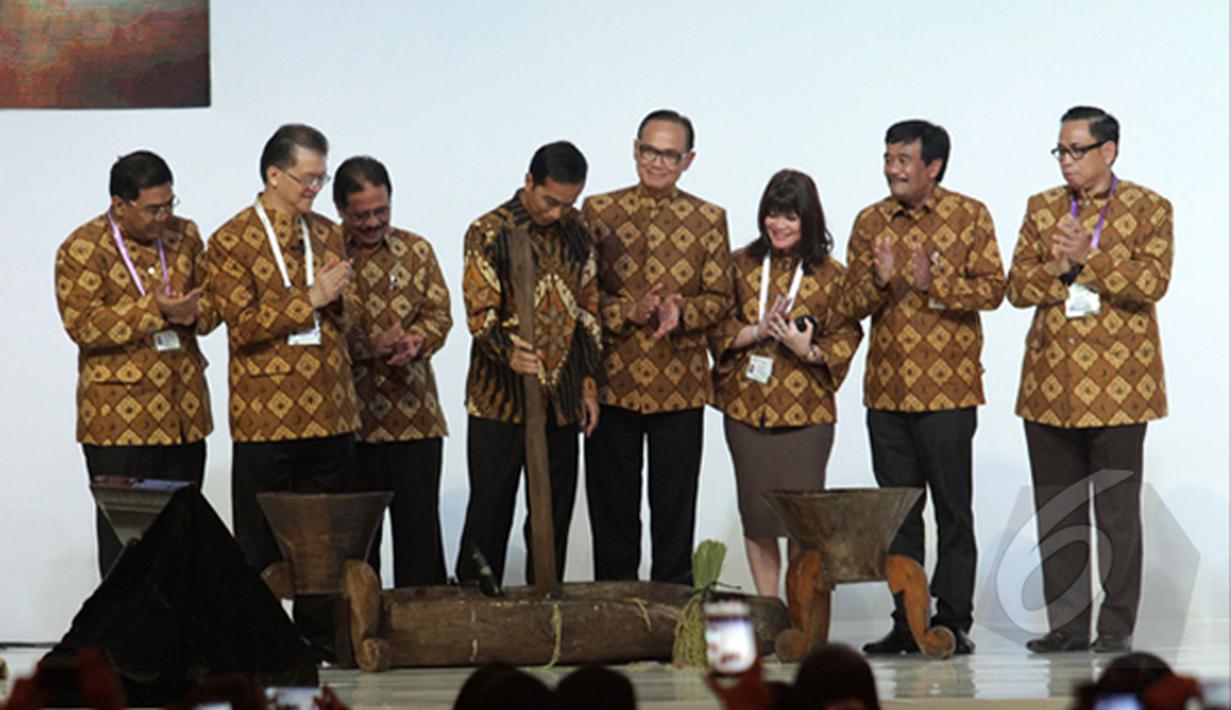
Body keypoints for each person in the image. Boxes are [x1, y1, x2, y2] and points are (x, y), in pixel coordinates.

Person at [1008, 106, 1172, 655]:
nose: (1066, 162)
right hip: (1049, 384)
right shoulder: (1042, 209)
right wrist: (1056, 269)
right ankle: (1067, 627)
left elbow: (1152, 281)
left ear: (1109, 151)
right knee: (1058, 511)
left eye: (1076, 150)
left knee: (1117, 516)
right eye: (1060, 150)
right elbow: (1015, 287)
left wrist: (1090, 258)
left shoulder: (1149, 207)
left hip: (1122, 388)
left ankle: (1117, 627)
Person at [840, 119, 1005, 655]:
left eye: (904, 160)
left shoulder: (969, 215)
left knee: (953, 511)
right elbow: (847, 304)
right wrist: (880, 282)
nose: (892, 169)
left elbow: (994, 289)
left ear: (932, 166)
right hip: (886, 393)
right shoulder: (870, 221)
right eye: (888, 158)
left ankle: (952, 620)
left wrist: (937, 285)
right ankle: (908, 620)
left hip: (948, 393)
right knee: (900, 515)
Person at [206, 123, 358, 659]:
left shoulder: (328, 233)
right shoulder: (230, 239)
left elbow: (347, 314)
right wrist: (310, 299)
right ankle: (259, 641)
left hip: (331, 408)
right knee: (261, 537)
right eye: (307, 178)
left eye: (322, 177)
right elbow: (242, 323)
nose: (316, 189)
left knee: (325, 534)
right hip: (265, 412)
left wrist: (337, 301)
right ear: (274, 174)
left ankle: (319, 635)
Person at [582, 108, 733, 585]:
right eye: (650, 151)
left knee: (674, 513)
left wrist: (680, 312)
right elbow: (582, 297)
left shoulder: (709, 219)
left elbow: (721, 299)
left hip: (681, 386)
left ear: (688, 160)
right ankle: (617, 616)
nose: (658, 162)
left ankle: (673, 622)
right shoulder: (599, 211)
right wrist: (624, 312)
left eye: (670, 154)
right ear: (635, 149)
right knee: (613, 514)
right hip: (612, 385)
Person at [55, 150, 218, 577]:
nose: (163, 217)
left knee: (184, 539)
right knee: (126, 548)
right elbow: (83, 324)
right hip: (119, 423)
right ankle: (121, 643)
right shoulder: (82, 248)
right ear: (119, 204)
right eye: (152, 209)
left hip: (183, 412)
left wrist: (195, 313)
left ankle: (182, 641)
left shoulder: (187, 235)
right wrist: (155, 312)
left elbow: (215, 301)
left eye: (169, 204)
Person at [455, 140, 601, 586]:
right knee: (490, 509)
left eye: (568, 203)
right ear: (528, 181)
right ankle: (474, 613)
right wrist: (508, 351)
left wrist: (589, 384)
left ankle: (545, 613)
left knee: (552, 516)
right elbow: (479, 314)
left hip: (561, 399)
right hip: (498, 400)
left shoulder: (580, 233)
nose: (557, 213)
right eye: (549, 201)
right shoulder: (488, 231)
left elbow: (589, 309)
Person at [710, 170, 861, 597]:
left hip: (806, 416)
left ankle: (802, 611)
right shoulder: (740, 265)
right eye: (772, 215)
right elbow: (717, 326)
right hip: (745, 410)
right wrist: (757, 331)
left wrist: (806, 349)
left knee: (801, 520)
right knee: (757, 518)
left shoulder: (833, 275)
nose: (778, 225)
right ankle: (768, 609)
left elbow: (847, 335)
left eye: (790, 217)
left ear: (808, 220)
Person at [334, 156, 452, 587]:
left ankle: (425, 637)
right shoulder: (327, 259)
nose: (372, 222)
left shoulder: (417, 250)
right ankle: (360, 635)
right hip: (352, 423)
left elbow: (441, 314)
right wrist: (368, 347)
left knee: (420, 536)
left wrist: (416, 341)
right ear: (341, 210)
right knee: (357, 548)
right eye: (361, 214)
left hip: (415, 418)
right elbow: (318, 336)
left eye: (381, 211)